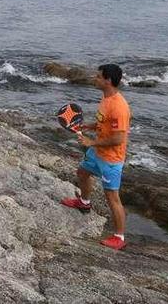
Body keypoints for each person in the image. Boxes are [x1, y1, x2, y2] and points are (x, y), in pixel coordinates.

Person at [61, 64, 131, 250]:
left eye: (98, 77)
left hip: (111, 160)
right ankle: (84, 203)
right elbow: (105, 123)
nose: (95, 78)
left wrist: (91, 143)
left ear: (108, 81)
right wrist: (90, 126)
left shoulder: (119, 106)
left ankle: (119, 237)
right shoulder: (106, 98)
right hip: (98, 152)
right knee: (82, 172)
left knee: (112, 197)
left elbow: (118, 138)